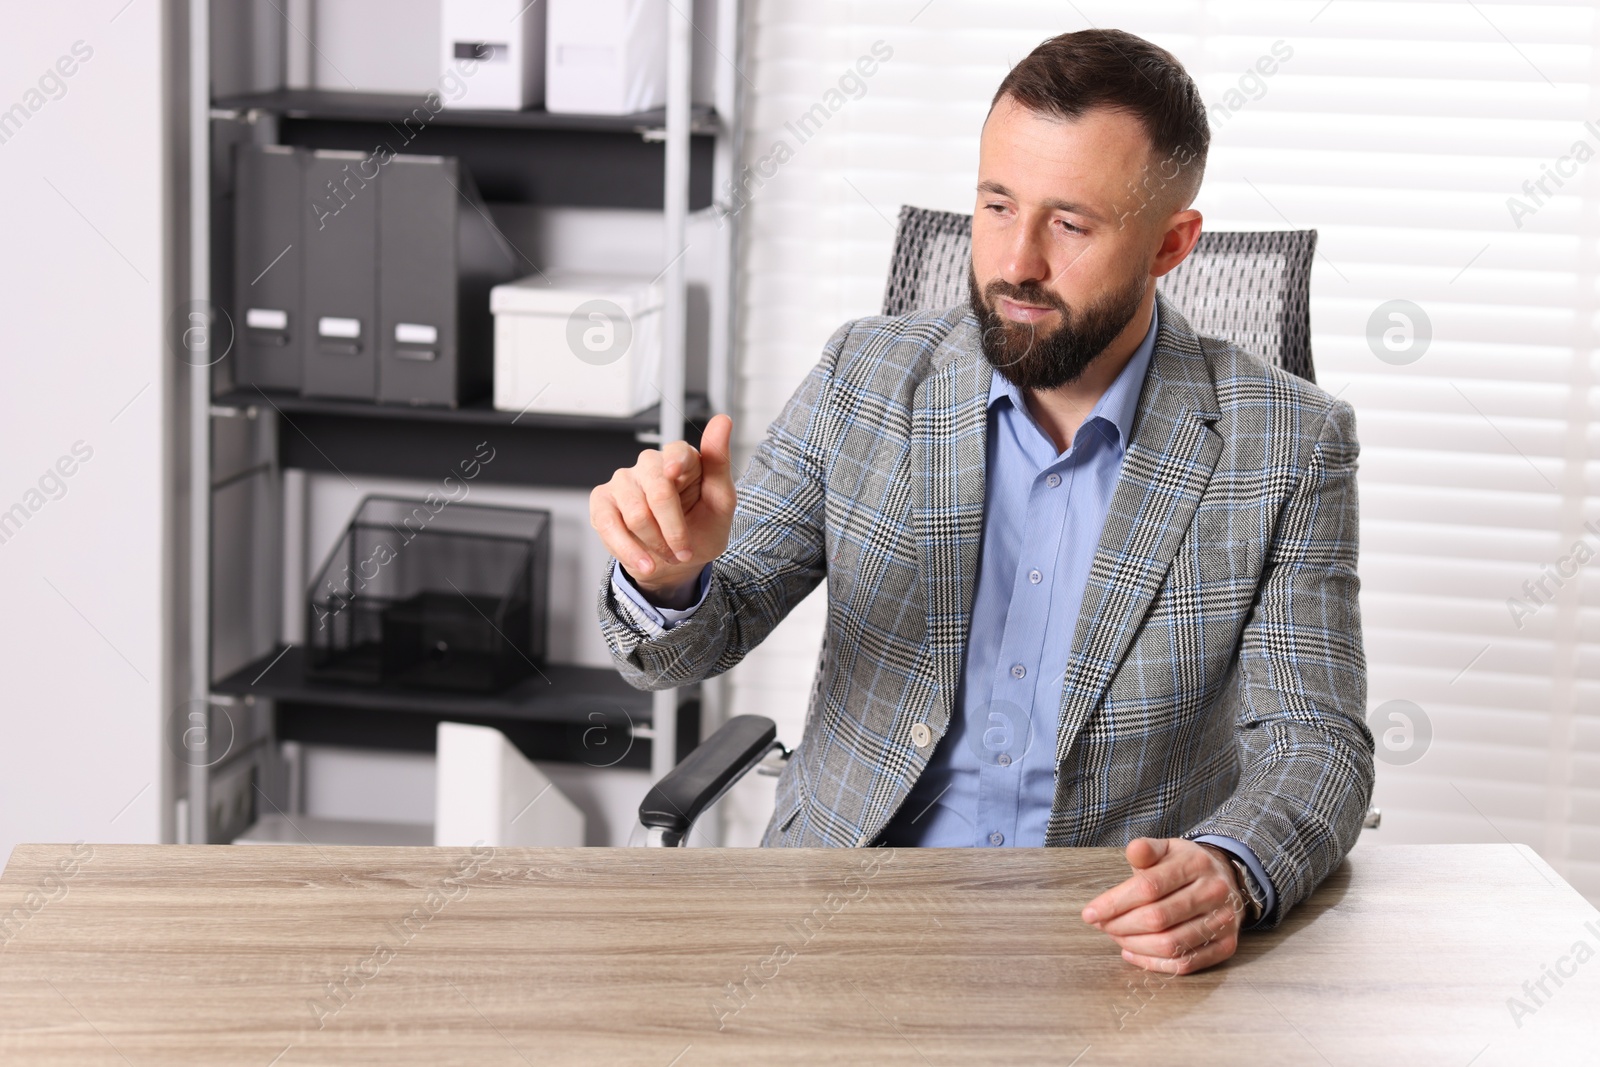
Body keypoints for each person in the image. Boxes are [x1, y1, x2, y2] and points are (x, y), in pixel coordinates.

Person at [590, 27, 1373, 975]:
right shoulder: (864, 378)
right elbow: (702, 640)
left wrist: (1228, 867)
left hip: (1106, 936)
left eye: (1072, 224)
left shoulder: (1287, 442)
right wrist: (670, 575)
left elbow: (1316, 740)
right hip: (841, 910)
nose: (1016, 261)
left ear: (1171, 244)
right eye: (997, 205)